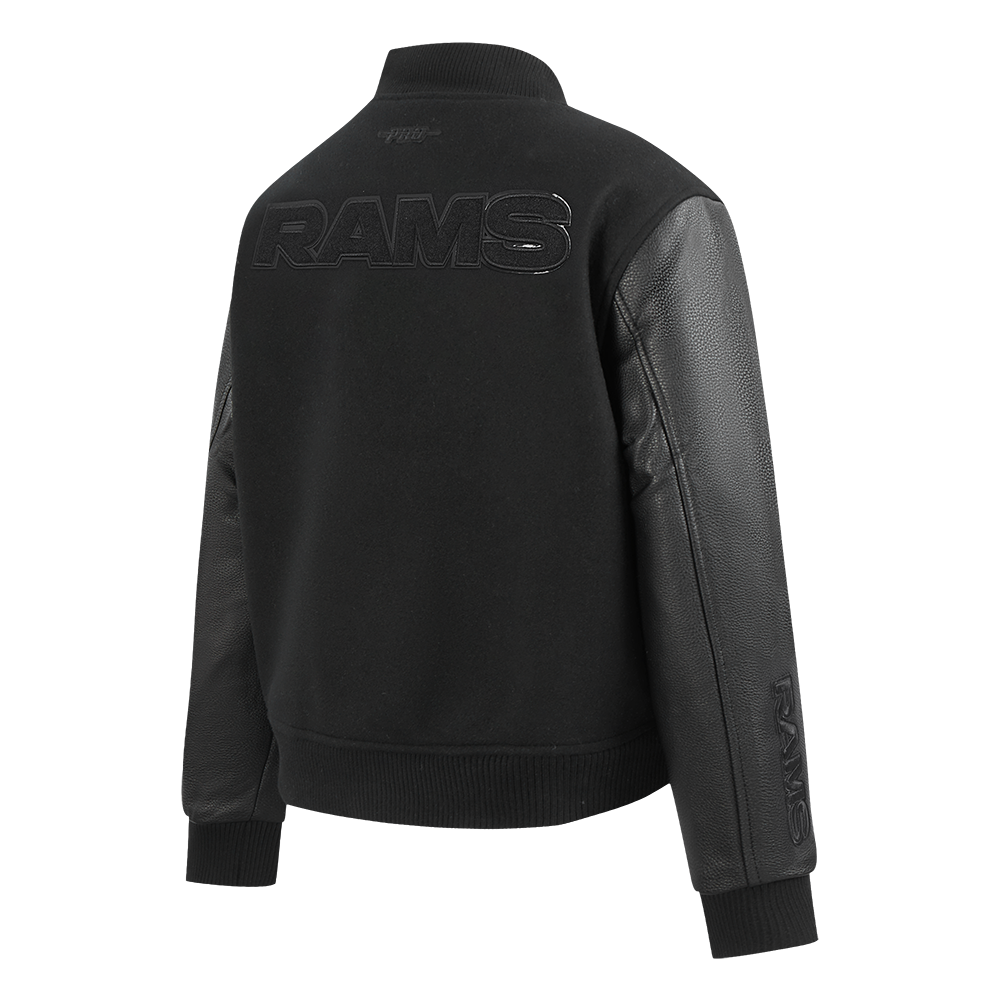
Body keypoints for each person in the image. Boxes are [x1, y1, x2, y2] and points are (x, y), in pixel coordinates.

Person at [182, 41, 819, 958]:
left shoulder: (279, 218)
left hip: (320, 815)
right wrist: (766, 892)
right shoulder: (641, 201)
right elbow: (713, 529)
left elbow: (232, 514)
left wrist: (221, 838)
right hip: (580, 831)